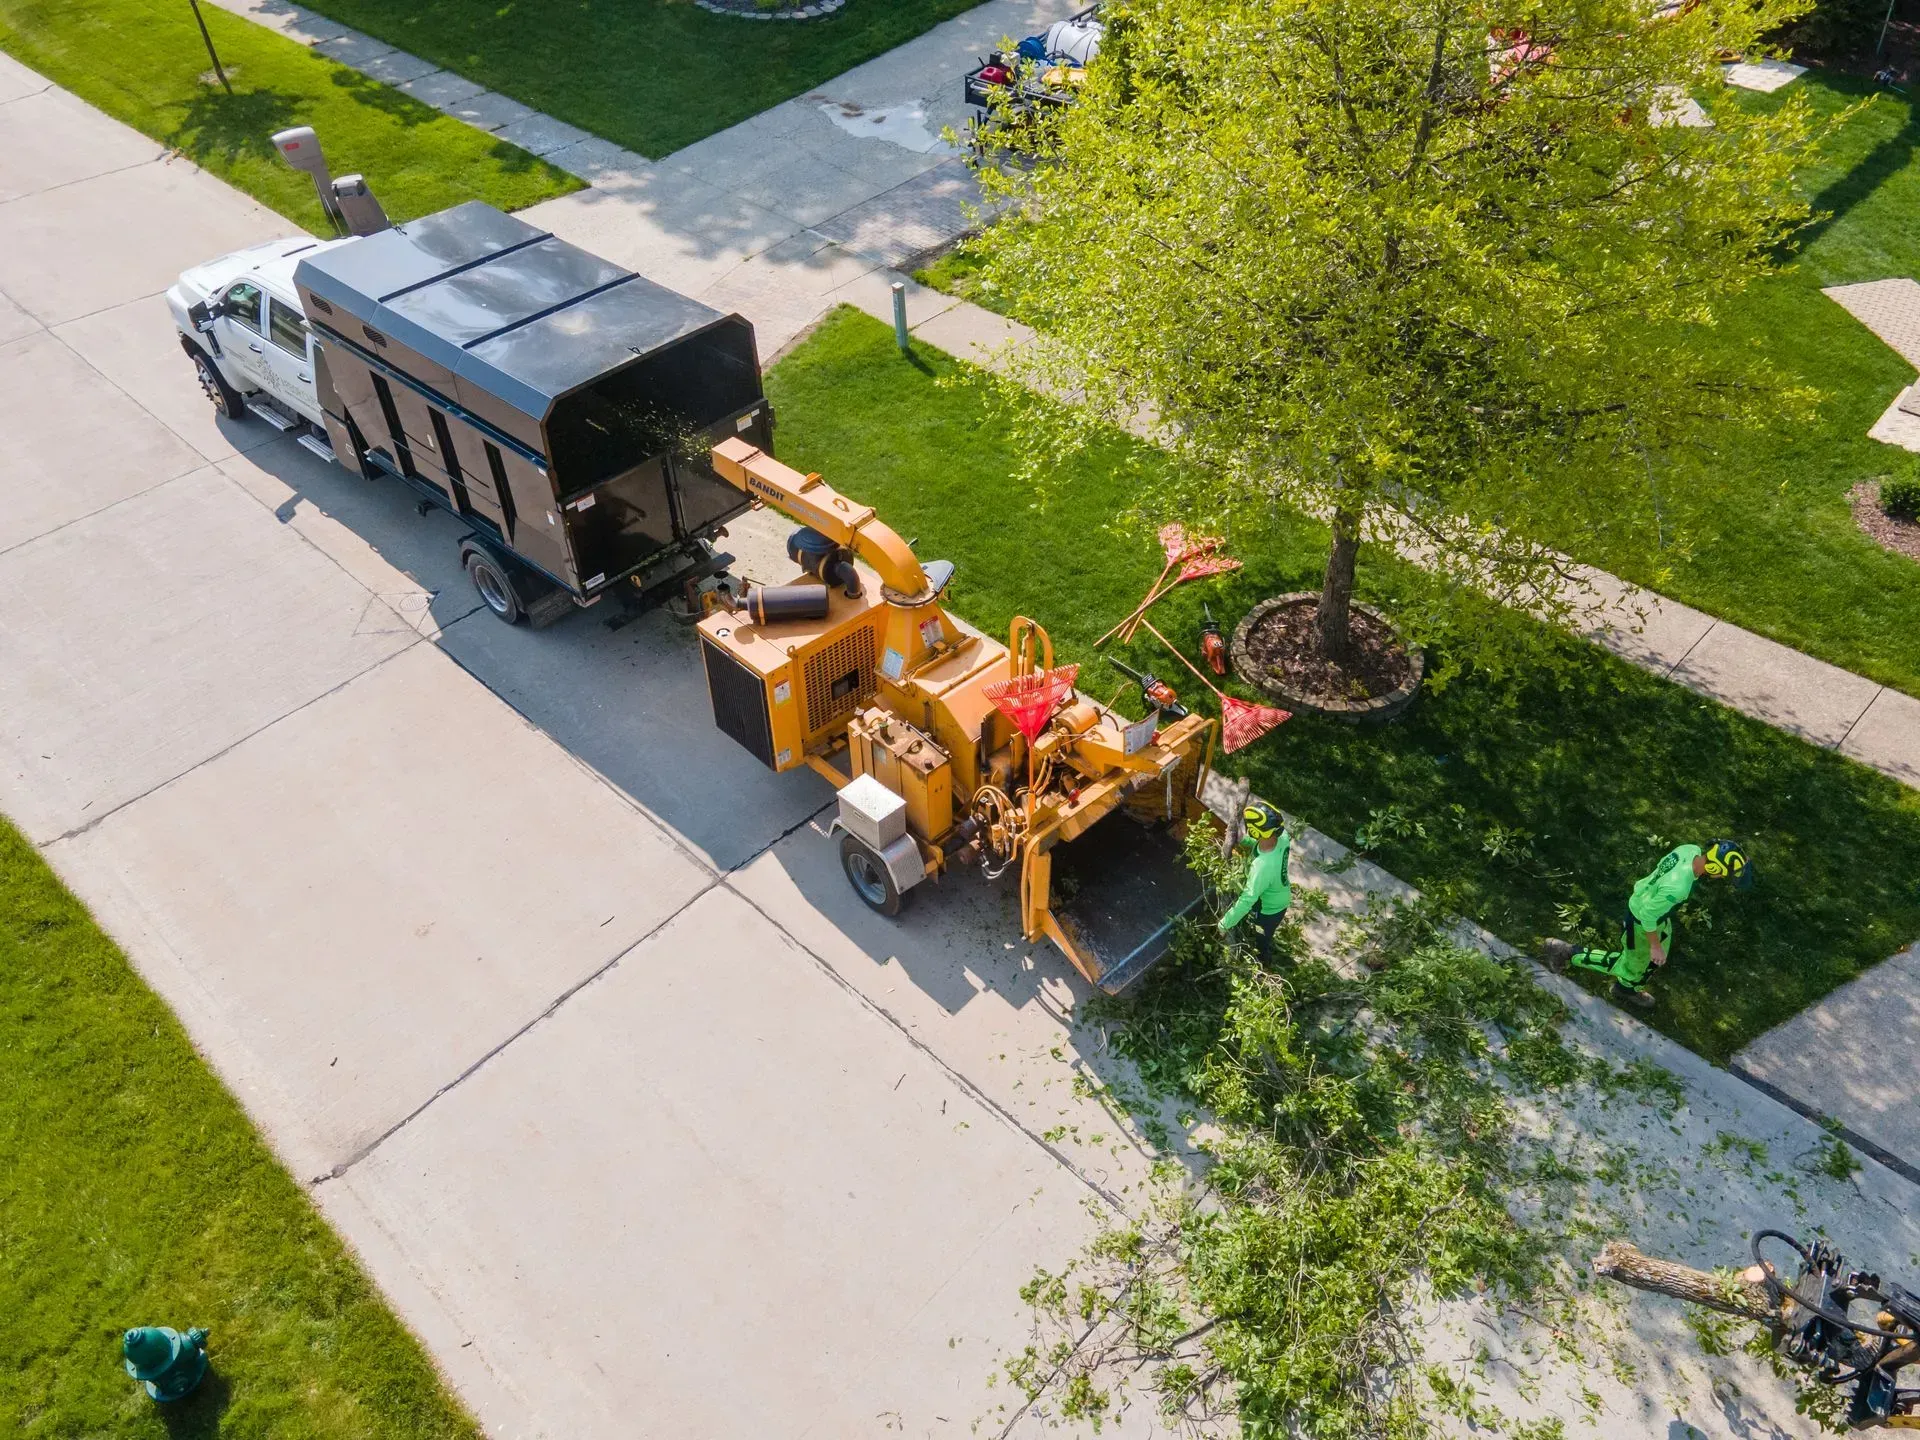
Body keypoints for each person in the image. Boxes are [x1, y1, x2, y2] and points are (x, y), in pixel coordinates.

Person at [1541, 839, 1752, 1010]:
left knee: (1651, 961)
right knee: (1630, 966)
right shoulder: (1678, 888)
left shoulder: (1691, 850)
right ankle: (1566, 952)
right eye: (1725, 874)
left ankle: (1629, 985)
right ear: (1715, 867)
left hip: (1650, 905)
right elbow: (1648, 916)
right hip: (1642, 920)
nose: (1723, 878)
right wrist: (1654, 945)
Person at [1219, 801, 1292, 962]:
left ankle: (1263, 960)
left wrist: (1225, 923)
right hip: (1280, 893)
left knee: (1262, 936)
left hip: (1271, 909)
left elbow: (1247, 899)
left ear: (1254, 831)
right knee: (1259, 922)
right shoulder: (1283, 837)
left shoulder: (1262, 867)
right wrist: (1244, 840)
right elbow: (1263, 843)